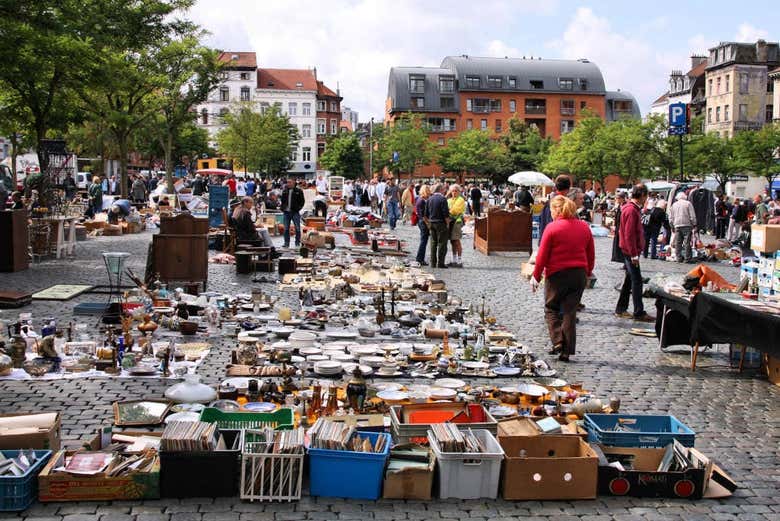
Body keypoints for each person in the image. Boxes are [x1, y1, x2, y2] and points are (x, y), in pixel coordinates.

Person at [531, 196, 594, 362]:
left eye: (552, 210)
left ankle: (558, 341)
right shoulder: (584, 227)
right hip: (579, 274)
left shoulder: (552, 228)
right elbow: (591, 254)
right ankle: (566, 351)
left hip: (557, 274)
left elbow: (542, 256)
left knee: (551, 308)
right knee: (569, 311)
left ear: (556, 210)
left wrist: (536, 276)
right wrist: (588, 272)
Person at [615, 184, 654, 322]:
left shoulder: (630, 208)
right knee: (637, 281)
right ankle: (639, 311)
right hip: (630, 251)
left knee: (629, 280)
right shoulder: (631, 210)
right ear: (642, 195)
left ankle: (620, 308)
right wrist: (634, 255)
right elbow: (629, 234)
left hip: (628, 250)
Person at [538, 175, 571, 244]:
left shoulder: (549, 202)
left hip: (545, 240)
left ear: (556, 187)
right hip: (557, 243)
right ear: (568, 189)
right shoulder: (565, 205)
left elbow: (542, 221)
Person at [426, 183, 450, 269]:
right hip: (441, 223)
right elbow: (445, 214)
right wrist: (447, 224)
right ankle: (440, 263)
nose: (445, 190)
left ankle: (433, 262)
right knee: (442, 243)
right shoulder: (443, 199)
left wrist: (429, 223)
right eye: (443, 189)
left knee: (433, 243)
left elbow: (426, 213)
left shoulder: (430, 199)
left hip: (432, 222)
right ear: (440, 190)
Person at [669, 192, 697, 263]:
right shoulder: (688, 203)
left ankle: (678, 257)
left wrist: (672, 226)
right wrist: (694, 224)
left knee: (678, 242)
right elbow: (692, 215)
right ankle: (687, 258)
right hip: (687, 224)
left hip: (677, 225)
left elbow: (670, 217)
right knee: (687, 242)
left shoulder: (674, 205)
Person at [281, 178, 305, 248]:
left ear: (294, 182)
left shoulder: (299, 191)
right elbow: (282, 201)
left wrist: (298, 208)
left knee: (297, 228)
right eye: (287, 182)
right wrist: (283, 208)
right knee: (286, 228)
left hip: (295, 212)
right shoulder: (285, 191)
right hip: (286, 212)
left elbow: (302, 201)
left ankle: (297, 243)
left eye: (290, 182)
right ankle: (286, 243)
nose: (288, 184)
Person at [447, 184, 466, 268]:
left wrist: (449, 210)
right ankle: (454, 259)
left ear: (459, 191)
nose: (454, 192)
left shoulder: (461, 200)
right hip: (450, 222)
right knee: (452, 241)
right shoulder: (449, 200)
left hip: (457, 222)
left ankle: (459, 260)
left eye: (456, 191)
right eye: (453, 191)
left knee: (456, 240)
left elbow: (455, 210)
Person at [415, 184, 431, 265]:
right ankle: (420, 258)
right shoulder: (421, 201)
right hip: (423, 222)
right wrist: (428, 224)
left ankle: (420, 258)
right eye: (428, 192)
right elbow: (423, 215)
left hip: (421, 221)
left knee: (423, 240)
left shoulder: (419, 199)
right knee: (423, 241)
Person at [610, 192, 627, 265]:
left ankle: (625, 262)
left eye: (617, 198)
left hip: (622, 228)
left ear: (622, 198)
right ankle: (621, 260)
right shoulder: (619, 205)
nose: (616, 200)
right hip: (618, 228)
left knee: (623, 246)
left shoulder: (625, 206)